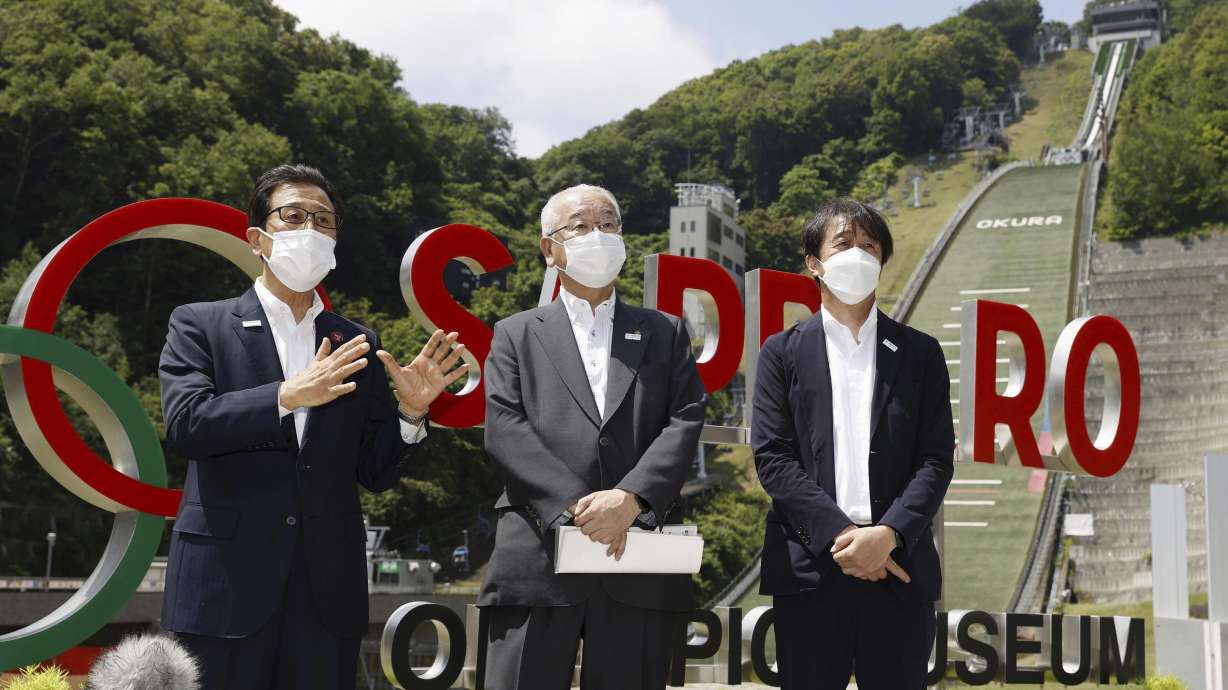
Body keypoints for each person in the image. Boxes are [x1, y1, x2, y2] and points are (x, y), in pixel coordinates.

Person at [158, 164, 468, 690]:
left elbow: (375, 470)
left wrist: (412, 412)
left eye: (323, 220)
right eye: (293, 215)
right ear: (257, 238)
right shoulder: (199, 323)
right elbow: (188, 425)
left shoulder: (356, 343)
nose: (310, 228)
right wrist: (286, 396)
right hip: (223, 588)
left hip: (326, 596)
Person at [478, 184, 707, 690]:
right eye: (580, 227)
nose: (597, 236)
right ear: (549, 248)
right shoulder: (515, 333)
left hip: (637, 558)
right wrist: (578, 509)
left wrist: (631, 498)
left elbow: (685, 418)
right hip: (537, 557)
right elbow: (505, 428)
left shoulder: (665, 332)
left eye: (607, 225)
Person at [751, 198, 954, 689]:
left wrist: (887, 535)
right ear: (814, 263)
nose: (858, 254)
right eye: (843, 244)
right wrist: (844, 536)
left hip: (898, 569)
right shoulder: (781, 353)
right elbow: (774, 459)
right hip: (811, 570)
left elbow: (934, 460)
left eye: (869, 246)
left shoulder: (920, 353)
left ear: (882, 261)